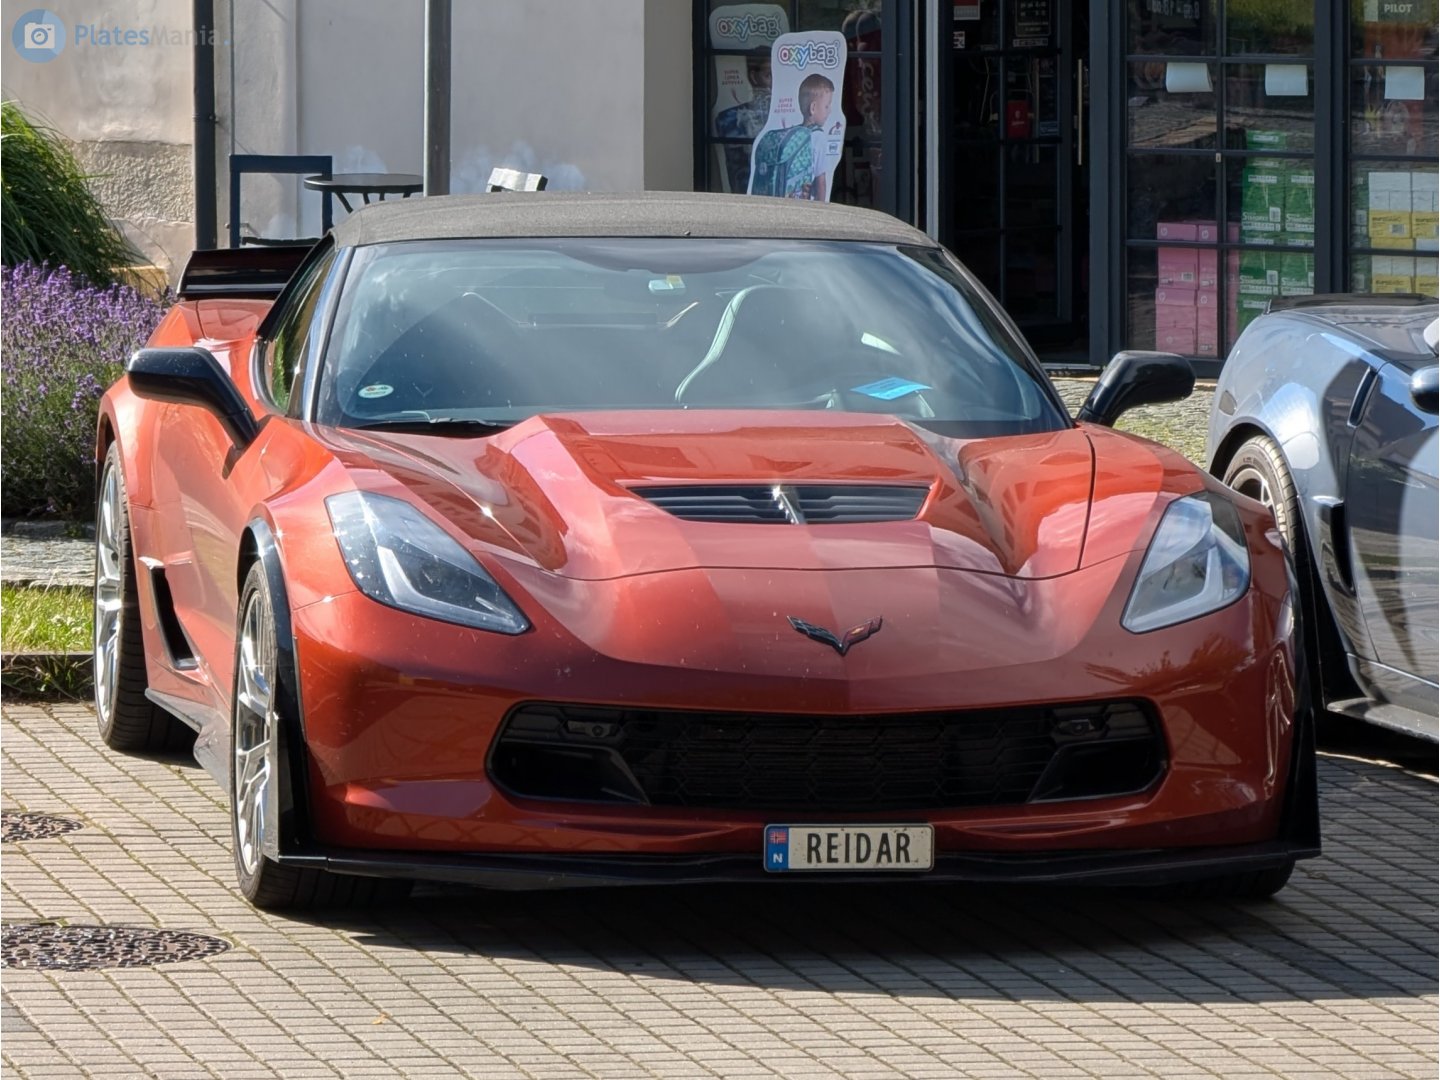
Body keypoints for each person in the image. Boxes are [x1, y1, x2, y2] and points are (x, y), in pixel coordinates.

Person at [798, 73, 836, 202]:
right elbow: (821, 182)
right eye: (826, 106)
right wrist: (821, 210)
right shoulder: (818, 137)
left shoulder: (795, 133)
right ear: (813, 108)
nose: (829, 110)